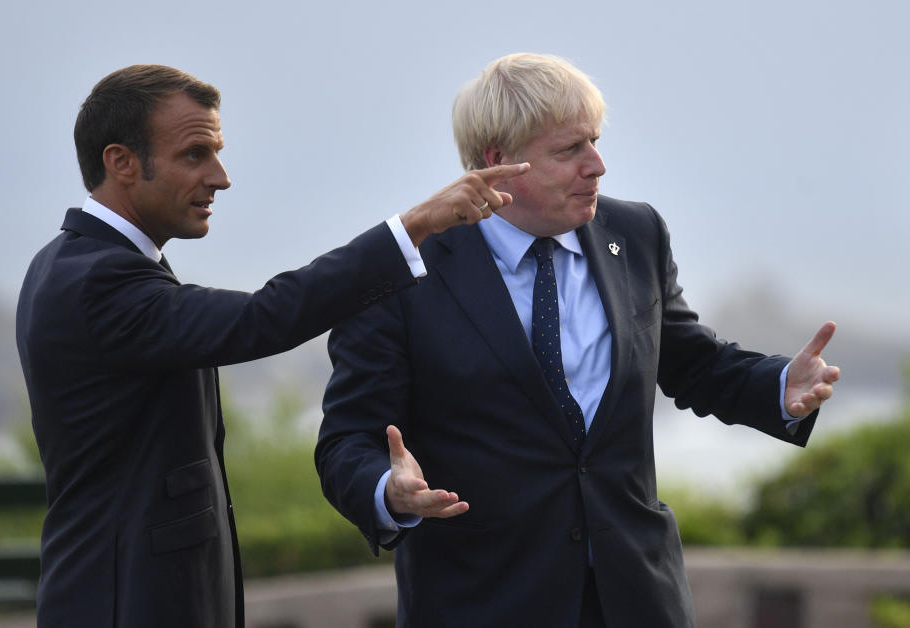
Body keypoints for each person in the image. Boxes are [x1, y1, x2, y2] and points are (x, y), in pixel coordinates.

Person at [314, 53, 840, 627]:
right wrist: (388, 491)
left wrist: (780, 384)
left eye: (594, 141)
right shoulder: (399, 274)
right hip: (481, 603)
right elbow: (346, 442)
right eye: (569, 150)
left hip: (638, 600)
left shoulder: (636, 233)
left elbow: (692, 363)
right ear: (498, 163)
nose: (598, 165)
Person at [15, 64, 528, 628]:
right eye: (195, 155)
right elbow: (263, 318)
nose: (221, 177)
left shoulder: (75, 263)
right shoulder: (98, 281)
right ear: (122, 163)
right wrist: (413, 228)